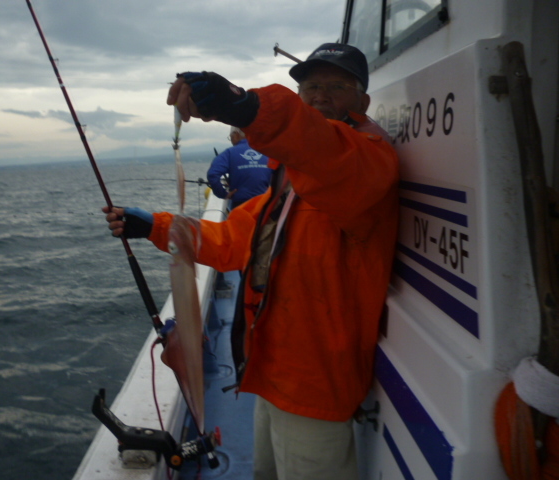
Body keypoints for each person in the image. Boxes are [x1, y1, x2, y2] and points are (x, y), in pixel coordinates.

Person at [104, 43, 399, 479]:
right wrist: (154, 227)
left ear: (363, 101)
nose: (320, 94)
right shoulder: (286, 183)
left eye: (337, 86)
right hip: (271, 369)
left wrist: (244, 105)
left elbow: (322, 146)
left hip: (316, 383)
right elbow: (230, 240)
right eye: (311, 86)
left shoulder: (367, 159)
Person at [207, 126, 272, 208]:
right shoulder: (266, 151)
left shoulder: (229, 153)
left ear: (236, 134)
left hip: (240, 205)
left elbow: (212, 175)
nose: (231, 141)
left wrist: (223, 194)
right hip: (265, 204)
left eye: (230, 138)